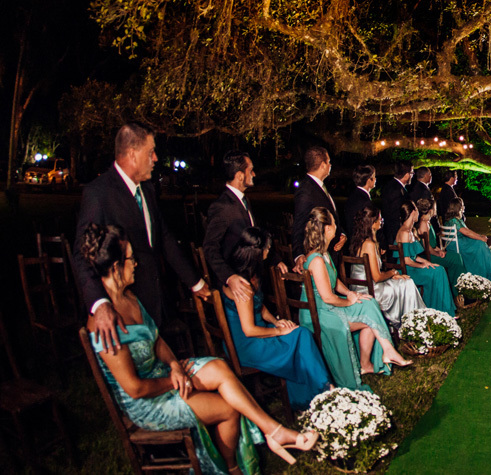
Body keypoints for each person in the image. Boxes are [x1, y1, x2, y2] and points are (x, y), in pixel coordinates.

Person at [83, 223, 316, 473]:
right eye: (131, 258)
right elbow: (135, 388)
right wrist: (176, 379)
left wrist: (173, 365)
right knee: (227, 409)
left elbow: (157, 340)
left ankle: (273, 432)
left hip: (165, 374)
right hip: (146, 402)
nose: (137, 263)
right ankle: (231, 469)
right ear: (116, 267)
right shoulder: (103, 324)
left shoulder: (130, 298)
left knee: (218, 366)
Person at [73, 123, 209, 352]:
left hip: (156, 298)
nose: (155, 158)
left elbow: (164, 239)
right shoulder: (99, 193)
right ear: (133, 154)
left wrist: (195, 282)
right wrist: (99, 304)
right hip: (124, 306)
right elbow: (81, 254)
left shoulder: (148, 189)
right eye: (151, 151)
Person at [221, 227, 331, 410]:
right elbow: (249, 329)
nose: (269, 251)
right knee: (300, 336)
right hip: (246, 344)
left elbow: (259, 306)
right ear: (257, 252)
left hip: (258, 332)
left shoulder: (250, 275)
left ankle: (312, 395)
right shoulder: (242, 286)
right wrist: (279, 331)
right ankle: (325, 391)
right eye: (267, 248)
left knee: (300, 334)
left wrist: (275, 321)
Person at [301, 207, 411, 388]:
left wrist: (350, 293)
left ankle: (374, 359)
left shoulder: (324, 254)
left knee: (369, 302)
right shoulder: (316, 260)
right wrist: (348, 301)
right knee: (368, 312)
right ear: (327, 229)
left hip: (329, 307)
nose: (337, 226)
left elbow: (333, 282)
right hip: (321, 314)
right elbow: (328, 297)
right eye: (334, 223)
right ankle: (384, 353)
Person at [203, 150, 265, 306]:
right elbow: (210, 247)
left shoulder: (243, 201)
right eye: (250, 170)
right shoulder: (223, 206)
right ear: (239, 176)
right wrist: (229, 277)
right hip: (236, 288)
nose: (254, 174)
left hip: (252, 279)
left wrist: (276, 260)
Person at [349, 205, 427, 324]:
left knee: (405, 282)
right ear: (372, 222)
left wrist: (392, 276)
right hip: (368, 289)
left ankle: (413, 321)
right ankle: (416, 322)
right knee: (407, 284)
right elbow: (377, 277)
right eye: (380, 219)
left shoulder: (361, 241)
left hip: (368, 285)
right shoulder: (369, 244)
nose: (381, 221)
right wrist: (393, 273)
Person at [394, 201, 457, 316]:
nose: (418, 213)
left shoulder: (410, 230)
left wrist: (426, 262)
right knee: (438, 272)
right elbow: (406, 260)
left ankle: (441, 310)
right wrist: (422, 265)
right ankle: (442, 311)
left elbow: (414, 256)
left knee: (438, 269)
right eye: (417, 211)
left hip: (412, 266)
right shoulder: (404, 232)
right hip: (407, 270)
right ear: (413, 212)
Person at [292, 146, 344, 270]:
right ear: (322, 165)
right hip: (318, 254)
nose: (330, 165)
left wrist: (342, 234)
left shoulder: (321, 187)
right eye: (329, 162)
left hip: (331, 251)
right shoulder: (306, 191)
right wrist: (298, 254)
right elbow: (299, 224)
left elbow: (333, 215)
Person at [415, 196, 467, 299]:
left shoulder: (427, 222)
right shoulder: (424, 224)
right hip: (429, 256)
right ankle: (459, 293)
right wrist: (438, 253)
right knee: (456, 259)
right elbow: (427, 248)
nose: (436, 210)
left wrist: (438, 249)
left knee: (456, 258)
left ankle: (457, 291)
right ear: (430, 210)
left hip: (432, 252)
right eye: (435, 207)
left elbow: (431, 244)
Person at [442, 198, 491, 281]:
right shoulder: (454, 220)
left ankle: (487, 269)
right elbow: (466, 232)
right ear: (458, 208)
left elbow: (468, 231)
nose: (464, 207)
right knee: (480, 245)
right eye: (462, 205)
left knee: (479, 243)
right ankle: (489, 269)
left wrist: (480, 236)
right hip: (458, 245)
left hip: (456, 243)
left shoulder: (452, 219)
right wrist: (481, 238)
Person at [381, 162, 412, 250]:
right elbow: (395, 215)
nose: (412, 176)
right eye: (412, 173)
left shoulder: (391, 185)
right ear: (406, 175)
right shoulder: (396, 190)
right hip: (395, 235)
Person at [344, 164, 376, 237]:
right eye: (374, 177)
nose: (375, 180)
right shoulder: (365, 201)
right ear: (368, 181)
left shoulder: (353, 196)